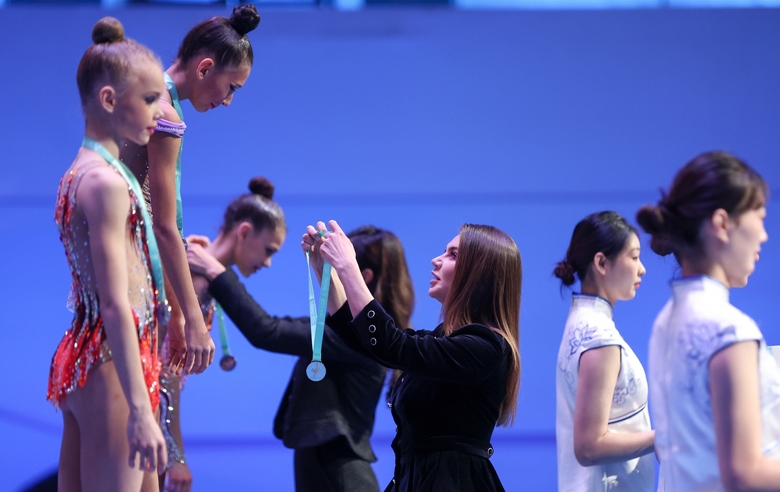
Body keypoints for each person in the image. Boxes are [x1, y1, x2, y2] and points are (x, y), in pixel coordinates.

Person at [184, 179, 415, 491]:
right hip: (326, 462)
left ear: (363, 275)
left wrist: (214, 271)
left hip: (341, 469)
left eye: (338, 262)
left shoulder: (362, 337)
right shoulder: (350, 332)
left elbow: (266, 331)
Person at [304, 221, 521, 492]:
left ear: (480, 274)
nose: (436, 260)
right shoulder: (443, 338)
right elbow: (364, 340)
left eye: (453, 255)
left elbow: (389, 343)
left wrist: (348, 266)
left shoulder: (485, 346)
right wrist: (326, 272)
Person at [47, 17, 168, 491]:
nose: (160, 112)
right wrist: (140, 407)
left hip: (87, 354)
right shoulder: (104, 183)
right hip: (114, 362)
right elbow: (117, 301)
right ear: (110, 100)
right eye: (151, 98)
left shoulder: (79, 173)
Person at [121, 4, 261, 377]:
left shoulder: (141, 95)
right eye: (231, 87)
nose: (228, 100)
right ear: (204, 68)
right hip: (131, 281)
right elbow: (163, 226)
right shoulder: (164, 115)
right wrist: (192, 319)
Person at [636, 151, 780, 491]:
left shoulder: (666, 320)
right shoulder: (729, 330)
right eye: (759, 217)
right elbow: (744, 473)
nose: (764, 235)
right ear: (721, 224)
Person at [553, 211, 655, 492]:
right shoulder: (598, 336)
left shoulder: (583, 321)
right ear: (601, 262)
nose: (642, 268)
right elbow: (589, 446)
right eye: (634, 257)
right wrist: (663, 438)